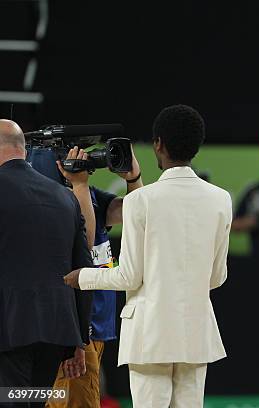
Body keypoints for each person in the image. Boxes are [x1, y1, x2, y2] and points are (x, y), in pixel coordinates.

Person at [64, 105, 231, 407]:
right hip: (196, 330)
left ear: (158, 144)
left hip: (150, 332)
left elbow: (129, 276)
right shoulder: (221, 199)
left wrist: (82, 277)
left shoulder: (141, 200)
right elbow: (217, 277)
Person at [0, 119, 93, 406]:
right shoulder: (64, 196)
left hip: (8, 329)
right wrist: (78, 338)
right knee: (32, 401)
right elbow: (82, 268)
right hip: (55, 330)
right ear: (23, 150)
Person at [46, 145, 143, 408]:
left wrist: (133, 178)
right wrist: (78, 185)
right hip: (73, 329)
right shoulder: (53, 199)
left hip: (95, 327)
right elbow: (84, 243)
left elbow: (135, 214)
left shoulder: (92, 196)